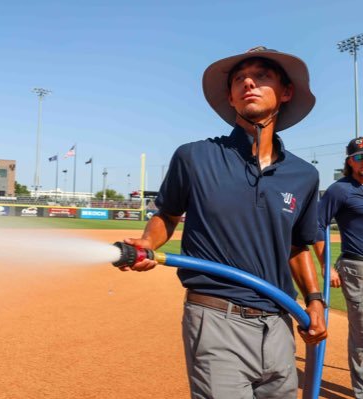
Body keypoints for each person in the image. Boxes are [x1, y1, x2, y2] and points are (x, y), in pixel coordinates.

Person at [119, 46, 327, 398]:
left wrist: (315, 300)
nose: (249, 82)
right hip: (216, 317)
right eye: (239, 80)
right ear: (230, 98)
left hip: (279, 322)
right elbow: (167, 215)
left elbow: (297, 245)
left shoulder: (304, 175)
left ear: (286, 92)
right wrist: (148, 244)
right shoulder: (195, 157)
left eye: (262, 76)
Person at [314, 137, 363, 398]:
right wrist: (326, 267)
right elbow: (317, 225)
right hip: (357, 269)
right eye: (359, 157)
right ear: (350, 162)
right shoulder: (340, 190)